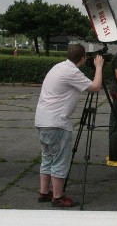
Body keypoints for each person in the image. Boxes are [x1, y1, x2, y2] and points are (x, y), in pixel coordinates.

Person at [34, 44, 104, 207]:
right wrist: (99, 67)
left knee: (48, 157)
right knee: (59, 160)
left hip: (43, 121)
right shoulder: (71, 71)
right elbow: (95, 87)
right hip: (56, 123)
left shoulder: (59, 66)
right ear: (82, 58)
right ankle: (57, 198)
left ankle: (44, 193)